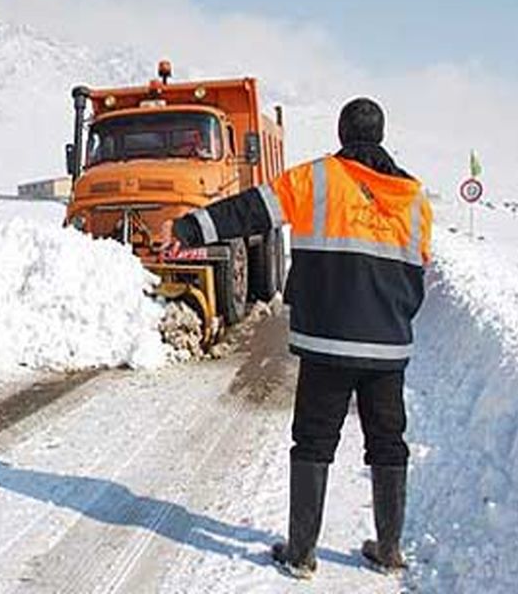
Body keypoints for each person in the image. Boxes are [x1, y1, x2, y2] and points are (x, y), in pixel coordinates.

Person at [168, 97, 432, 580]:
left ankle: (301, 555)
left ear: (342, 133)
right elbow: (419, 269)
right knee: (389, 444)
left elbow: (251, 211)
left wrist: (192, 227)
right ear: (380, 134)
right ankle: (389, 549)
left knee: (313, 443)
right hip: (388, 347)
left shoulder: (318, 179)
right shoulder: (413, 197)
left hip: (328, 342)